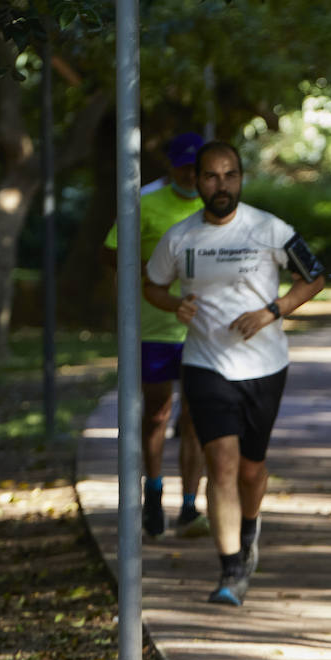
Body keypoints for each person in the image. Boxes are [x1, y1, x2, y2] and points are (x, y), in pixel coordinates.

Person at [143, 141, 327, 606]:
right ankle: (230, 570)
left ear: (241, 179)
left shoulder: (269, 228)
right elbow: (152, 284)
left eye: (229, 175)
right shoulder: (180, 236)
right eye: (210, 176)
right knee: (221, 463)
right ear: (196, 180)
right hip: (205, 364)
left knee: (251, 468)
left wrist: (274, 310)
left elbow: (316, 275)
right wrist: (173, 303)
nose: (220, 185)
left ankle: (249, 530)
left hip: (266, 366)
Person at [104, 131, 208, 539]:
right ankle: (154, 490)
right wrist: (154, 265)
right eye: (182, 165)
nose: (188, 172)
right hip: (156, 328)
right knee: (158, 414)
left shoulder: (217, 206)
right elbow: (109, 252)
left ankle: (189, 506)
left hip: (203, 331)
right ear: (170, 165)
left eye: (195, 166)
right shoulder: (145, 202)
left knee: (196, 419)